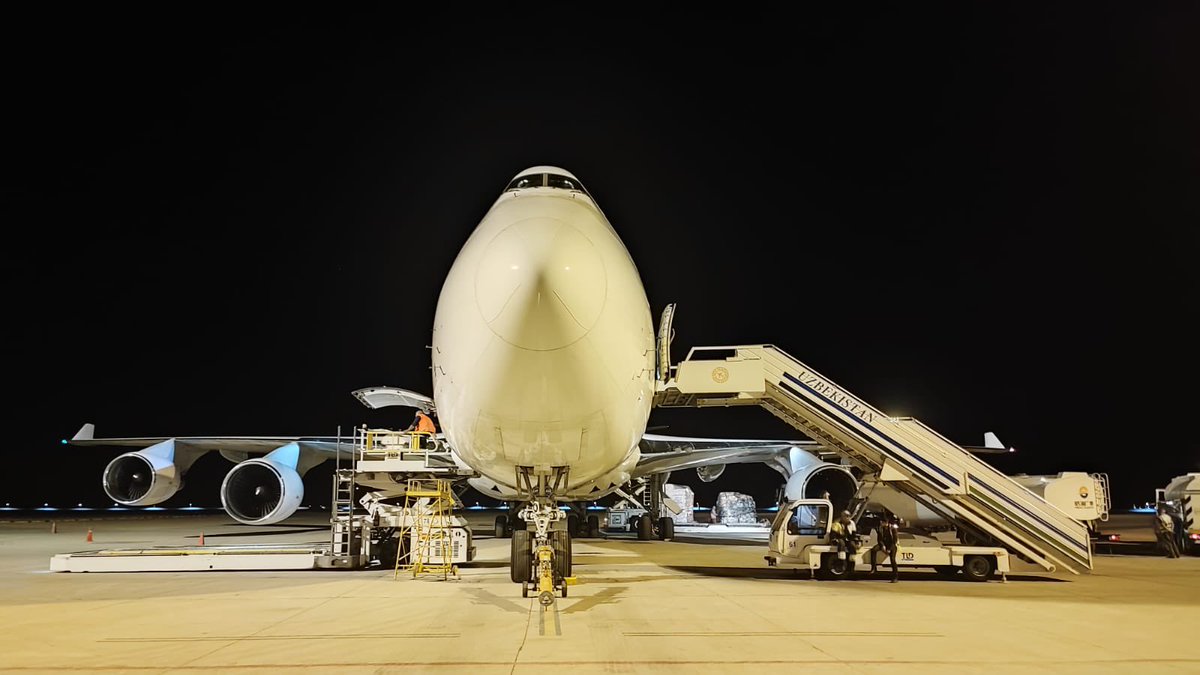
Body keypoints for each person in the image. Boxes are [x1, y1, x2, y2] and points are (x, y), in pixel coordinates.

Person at [870, 512, 900, 582]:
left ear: (886, 523)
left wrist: (889, 549)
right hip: (884, 544)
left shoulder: (892, 529)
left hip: (891, 545)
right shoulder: (880, 529)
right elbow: (879, 539)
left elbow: (894, 540)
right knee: (873, 550)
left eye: (882, 522)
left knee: (892, 559)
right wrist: (882, 546)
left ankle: (895, 576)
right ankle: (873, 568)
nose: (881, 523)